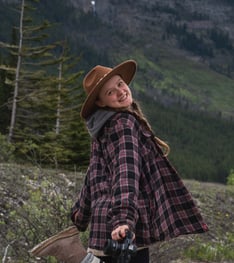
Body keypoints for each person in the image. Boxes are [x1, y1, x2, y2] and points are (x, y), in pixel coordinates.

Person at [71, 59, 208, 263]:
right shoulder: (124, 124)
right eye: (110, 92)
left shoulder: (103, 129)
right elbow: (126, 173)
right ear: (100, 102)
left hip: (103, 229)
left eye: (119, 84)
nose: (120, 91)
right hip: (122, 231)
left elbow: (94, 176)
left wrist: (79, 216)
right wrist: (123, 220)